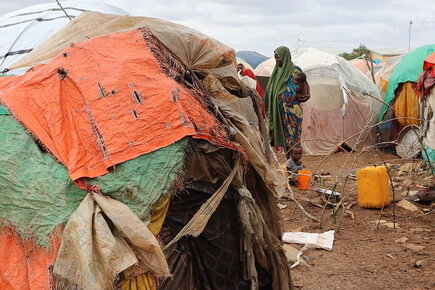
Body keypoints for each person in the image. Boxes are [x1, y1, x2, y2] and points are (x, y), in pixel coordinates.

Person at [265, 46, 310, 155]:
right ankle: (289, 161)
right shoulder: (276, 72)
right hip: (279, 111)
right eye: (275, 58)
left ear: (285, 57)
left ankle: (295, 163)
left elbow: (304, 86)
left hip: (292, 111)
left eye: (278, 57)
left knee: (293, 136)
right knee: (285, 138)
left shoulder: (295, 70)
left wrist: (305, 94)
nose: (277, 60)